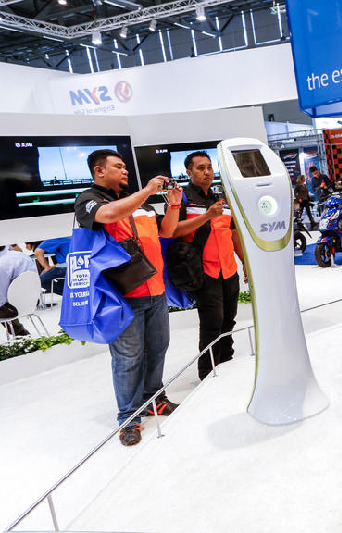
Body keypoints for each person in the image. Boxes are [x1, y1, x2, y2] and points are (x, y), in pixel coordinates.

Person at [74, 149, 182, 446]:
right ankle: (129, 419)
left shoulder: (140, 203)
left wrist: (173, 204)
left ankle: (155, 399)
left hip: (156, 290)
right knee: (128, 359)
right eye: (118, 166)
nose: (125, 171)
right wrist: (146, 190)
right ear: (99, 171)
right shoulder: (88, 200)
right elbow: (108, 215)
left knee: (158, 349)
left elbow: (167, 232)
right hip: (122, 296)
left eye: (125, 166)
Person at [172, 151, 245, 381]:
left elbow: (233, 233)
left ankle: (228, 365)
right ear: (189, 172)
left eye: (209, 167)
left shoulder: (220, 198)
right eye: (201, 168)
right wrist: (206, 216)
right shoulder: (183, 198)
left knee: (229, 321)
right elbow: (173, 231)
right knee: (212, 325)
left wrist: (245, 263)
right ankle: (207, 374)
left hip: (228, 270)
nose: (207, 172)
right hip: (203, 272)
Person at [0, 244, 36, 337]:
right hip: (33, 300)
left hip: (13, 308)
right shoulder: (22, 256)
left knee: (3, 306)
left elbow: (1, 300)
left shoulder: (2, 264)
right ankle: (20, 332)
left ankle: (19, 332)